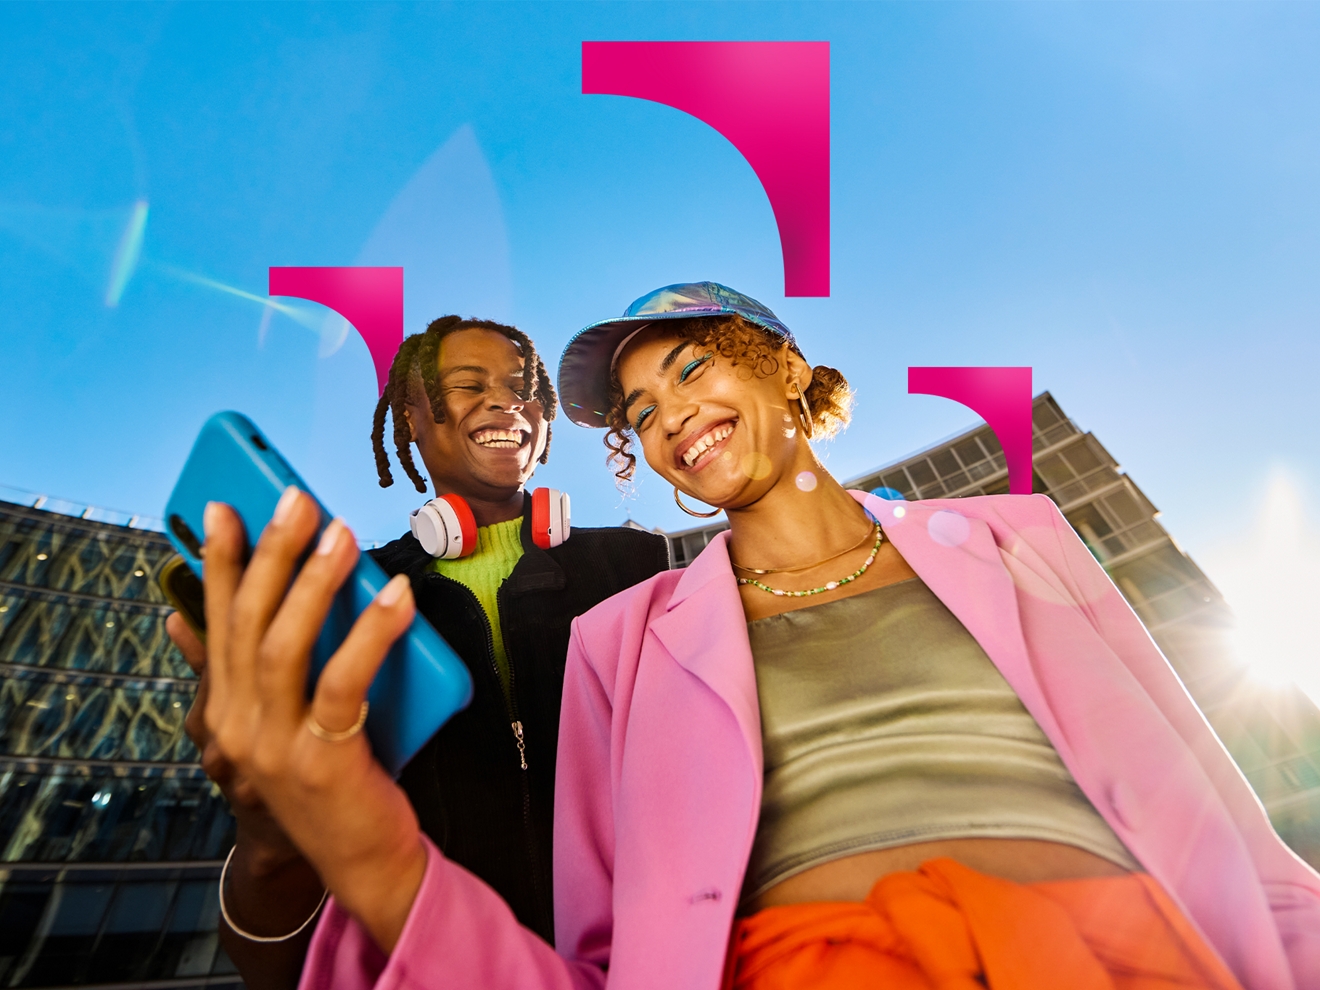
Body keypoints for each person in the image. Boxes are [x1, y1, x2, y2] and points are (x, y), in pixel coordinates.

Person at [190, 284, 1320, 990]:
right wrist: (319, 835)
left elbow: (1222, 833)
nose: (672, 414)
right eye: (641, 411)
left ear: (784, 368)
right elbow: (605, 950)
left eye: (691, 368)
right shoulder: (612, 636)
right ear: (413, 419)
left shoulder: (1014, 537)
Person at [166, 315, 669, 990]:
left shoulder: (637, 564)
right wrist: (267, 835)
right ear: (409, 420)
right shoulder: (352, 597)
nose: (504, 401)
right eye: (468, 385)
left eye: (522, 387)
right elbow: (271, 963)